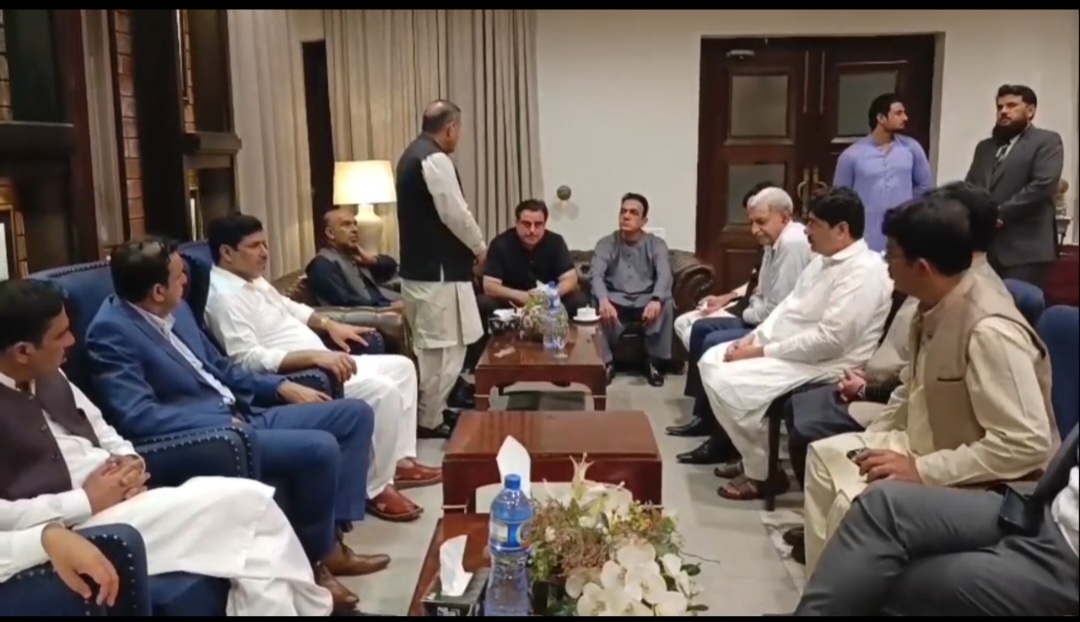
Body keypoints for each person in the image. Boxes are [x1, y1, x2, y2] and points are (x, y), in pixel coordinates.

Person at [0, 278, 333, 615]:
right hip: (79, 527)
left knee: (256, 543)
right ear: (23, 352)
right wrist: (85, 501)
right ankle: (316, 606)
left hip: (125, 497)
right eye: (60, 335)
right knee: (251, 508)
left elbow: (103, 430)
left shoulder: (51, 372)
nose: (72, 341)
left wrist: (130, 462)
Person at [84, 238, 383, 611]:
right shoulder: (111, 333)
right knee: (319, 448)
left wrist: (279, 386)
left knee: (354, 414)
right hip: (216, 434)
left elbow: (220, 368)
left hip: (242, 411)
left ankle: (331, 541)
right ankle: (315, 561)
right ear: (158, 291)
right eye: (179, 277)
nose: (187, 282)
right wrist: (220, 420)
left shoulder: (177, 310)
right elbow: (138, 415)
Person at [802, 193, 1059, 574]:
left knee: (854, 503)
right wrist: (874, 439)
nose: (885, 264)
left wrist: (923, 470)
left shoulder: (989, 331)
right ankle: (823, 591)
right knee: (825, 459)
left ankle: (849, 594)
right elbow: (912, 388)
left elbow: (1026, 445)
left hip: (995, 485)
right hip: (928, 441)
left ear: (921, 267)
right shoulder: (933, 304)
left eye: (891, 255)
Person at [204, 213, 439, 523]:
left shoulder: (252, 280)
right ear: (227, 252)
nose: (265, 253)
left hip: (324, 359)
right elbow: (245, 359)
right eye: (254, 246)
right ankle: (375, 488)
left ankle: (399, 462)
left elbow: (293, 308)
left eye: (264, 244)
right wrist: (313, 358)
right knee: (383, 391)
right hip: (298, 375)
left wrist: (329, 324)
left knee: (402, 368)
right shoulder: (223, 299)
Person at [695, 186, 893, 500]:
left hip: (831, 362)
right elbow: (787, 309)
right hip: (792, 349)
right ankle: (756, 457)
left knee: (728, 380)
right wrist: (752, 337)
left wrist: (760, 351)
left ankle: (763, 472)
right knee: (711, 360)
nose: (806, 230)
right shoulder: (822, 261)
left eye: (813, 223)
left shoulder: (865, 271)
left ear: (841, 230)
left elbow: (831, 340)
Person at [794, 427, 1078, 616]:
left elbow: (1026, 441)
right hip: (1044, 508)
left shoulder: (994, 347)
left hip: (1065, 561)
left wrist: (922, 470)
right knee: (883, 505)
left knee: (888, 582)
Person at [669, 185, 813, 441]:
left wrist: (748, 311)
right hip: (760, 316)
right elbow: (758, 290)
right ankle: (704, 416)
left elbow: (775, 308)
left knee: (712, 340)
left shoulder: (792, 244)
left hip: (777, 327)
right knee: (701, 328)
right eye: (751, 222)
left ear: (784, 217)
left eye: (761, 222)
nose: (754, 230)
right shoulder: (773, 241)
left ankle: (720, 437)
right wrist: (750, 305)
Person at [396, 99, 485, 438]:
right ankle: (428, 420)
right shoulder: (434, 158)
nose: (458, 136)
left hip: (425, 273)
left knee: (441, 350)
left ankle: (435, 412)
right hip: (437, 275)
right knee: (441, 352)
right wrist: (480, 247)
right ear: (450, 128)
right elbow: (455, 213)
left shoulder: (411, 155)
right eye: (458, 130)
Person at [964, 84, 1064, 290]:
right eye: (1000, 107)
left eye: (1011, 106)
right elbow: (970, 187)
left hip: (1026, 250)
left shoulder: (1046, 141)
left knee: (1018, 306)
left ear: (1030, 111)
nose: (1003, 111)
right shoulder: (985, 147)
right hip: (985, 251)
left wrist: (999, 215)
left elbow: (1043, 184)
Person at [591, 192, 675, 386]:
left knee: (667, 302)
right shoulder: (606, 243)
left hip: (646, 299)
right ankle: (607, 363)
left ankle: (654, 363)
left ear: (644, 220)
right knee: (595, 300)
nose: (626, 216)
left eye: (633, 213)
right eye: (623, 212)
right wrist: (603, 299)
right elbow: (596, 275)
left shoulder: (656, 244)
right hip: (615, 298)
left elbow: (665, 275)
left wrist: (656, 299)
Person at [834, 93, 933, 252]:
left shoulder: (911, 148)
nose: (905, 118)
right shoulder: (851, 155)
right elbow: (840, 198)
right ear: (881, 118)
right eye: (898, 113)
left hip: (902, 232)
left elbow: (925, 186)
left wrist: (908, 211)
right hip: (865, 235)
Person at [480, 199, 588, 318]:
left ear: (544, 224)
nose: (532, 230)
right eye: (526, 224)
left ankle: (560, 328)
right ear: (517, 223)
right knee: (483, 303)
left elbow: (570, 279)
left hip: (549, 303)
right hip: (512, 303)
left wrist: (551, 294)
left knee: (579, 299)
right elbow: (489, 286)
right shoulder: (500, 244)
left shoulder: (556, 242)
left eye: (538, 224)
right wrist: (520, 296)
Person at [306, 207, 404, 311]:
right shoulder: (323, 265)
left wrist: (372, 260)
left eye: (354, 224)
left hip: (387, 302)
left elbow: (392, 266)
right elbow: (345, 301)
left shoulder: (354, 257)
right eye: (346, 225)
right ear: (330, 233)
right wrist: (388, 306)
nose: (355, 229)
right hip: (370, 314)